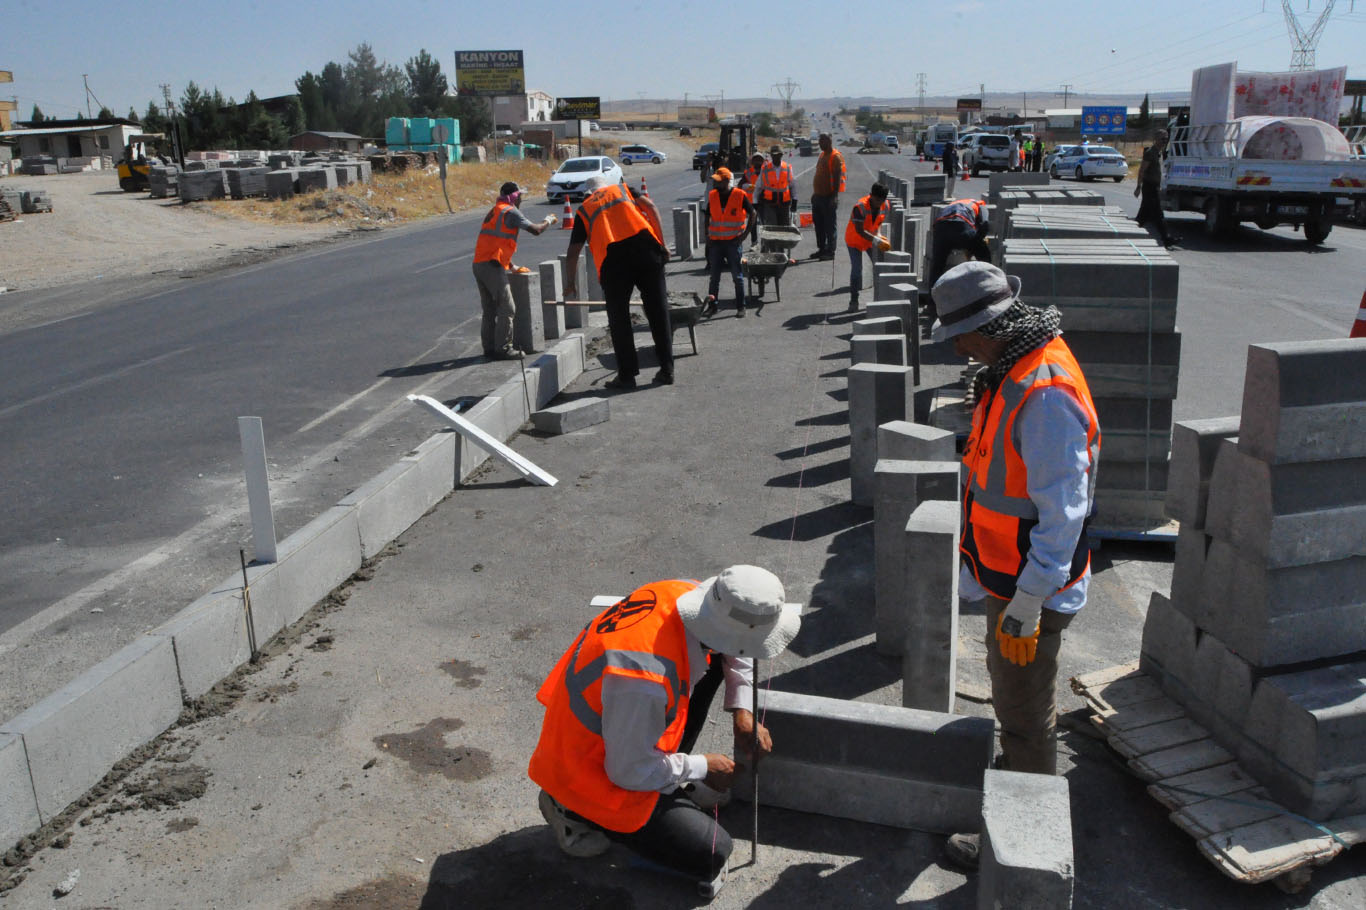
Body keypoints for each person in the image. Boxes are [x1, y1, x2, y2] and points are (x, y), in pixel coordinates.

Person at [928, 262, 1101, 871]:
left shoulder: (1044, 393)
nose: (956, 346)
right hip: (1008, 576)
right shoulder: (1014, 366)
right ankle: (1015, 799)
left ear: (992, 326)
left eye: (962, 333)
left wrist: (1028, 602)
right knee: (1015, 705)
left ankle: (1021, 845)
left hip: (1033, 590)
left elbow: (1065, 512)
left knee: (1026, 719)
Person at [529, 566, 801, 899]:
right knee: (712, 851)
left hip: (624, 733)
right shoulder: (642, 681)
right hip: (587, 771)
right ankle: (568, 809)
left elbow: (737, 647)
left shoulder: (691, 597)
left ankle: (666, 779)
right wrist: (702, 766)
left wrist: (742, 712)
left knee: (716, 661)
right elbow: (628, 772)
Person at [564, 175, 674, 388]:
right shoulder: (624, 189)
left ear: (588, 194)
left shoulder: (585, 209)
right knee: (659, 312)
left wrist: (571, 282)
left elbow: (573, 251)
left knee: (619, 320)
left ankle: (627, 376)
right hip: (647, 251)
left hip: (613, 263)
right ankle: (667, 370)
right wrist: (662, 243)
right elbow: (651, 207)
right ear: (607, 187)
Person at [472, 181, 557, 359]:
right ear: (514, 197)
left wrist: (511, 266)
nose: (521, 200)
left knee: (489, 310)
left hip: (480, 264)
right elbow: (536, 230)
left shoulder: (496, 210)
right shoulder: (511, 211)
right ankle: (504, 349)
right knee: (507, 308)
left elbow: (496, 242)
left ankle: (489, 348)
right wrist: (548, 220)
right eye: (520, 196)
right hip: (491, 267)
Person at [702, 167, 754, 318]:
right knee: (714, 277)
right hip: (716, 243)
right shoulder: (713, 196)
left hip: (732, 242)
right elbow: (707, 215)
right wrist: (707, 235)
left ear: (726, 181)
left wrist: (744, 235)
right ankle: (713, 307)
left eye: (718, 181)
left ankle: (741, 306)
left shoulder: (739, 195)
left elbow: (753, 213)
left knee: (737, 277)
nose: (715, 184)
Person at [928, 197, 992, 298]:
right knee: (985, 259)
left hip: (940, 227)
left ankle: (932, 303)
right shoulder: (980, 205)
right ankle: (990, 292)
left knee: (937, 266)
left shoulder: (952, 205)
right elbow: (985, 223)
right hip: (961, 225)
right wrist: (976, 241)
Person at [844, 182, 891, 311]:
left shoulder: (885, 205)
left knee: (880, 266)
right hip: (854, 241)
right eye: (876, 200)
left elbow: (878, 223)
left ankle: (881, 299)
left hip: (870, 240)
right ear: (871, 196)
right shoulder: (860, 207)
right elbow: (859, 230)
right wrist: (876, 240)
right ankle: (854, 301)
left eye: (881, 200)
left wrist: (879, 234)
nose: (878, 203)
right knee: (857, 270)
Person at [1135, 129, 1177, 248]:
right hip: (1149, 187)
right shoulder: (1150, 153)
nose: (1164, 141)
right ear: (1156, 139)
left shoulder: (1160, 153)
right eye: (1162, 139)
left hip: (1154, 187)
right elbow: (1142, 170)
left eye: (1166, 139)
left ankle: (1129, 232)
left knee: (1143, 216)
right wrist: (1138, 186)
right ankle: (1167, 238)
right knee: (1158, 214)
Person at [809, 133, 846, 260]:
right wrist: (815, 194)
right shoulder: (822, 155)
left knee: (829, 226)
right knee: (819, 225)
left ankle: (830, 251)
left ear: (829, 142)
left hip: (828, 197)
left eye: (822, 142)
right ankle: (822, 248)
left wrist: (834, 196)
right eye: (819, 142)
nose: (819, 144)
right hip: (818, 197)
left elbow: (837, 177)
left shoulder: (835, 157)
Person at [756, 145, 797, 228]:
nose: (776, 157)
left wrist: (795, 200)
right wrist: (756, 202)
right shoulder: (765, 169)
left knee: (784, 228)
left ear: (781, 155)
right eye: (774, 155)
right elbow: (758, 187)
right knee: (772, 227)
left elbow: (792, 185)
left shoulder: (787, 167)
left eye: (778, 155)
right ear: (771, 155)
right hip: (769, 204)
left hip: (784, 205)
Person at [740, 152, 766, 245]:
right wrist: (748, 186)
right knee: (753, 223)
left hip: (765, 201)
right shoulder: (748, 172)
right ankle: (754, 242)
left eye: (760, 159)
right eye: (756, 159)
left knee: (765, 223)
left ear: (763, 161)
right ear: (752, 161)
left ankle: (765, 243)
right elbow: (740, 185)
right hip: (752, 202)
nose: (758, 162)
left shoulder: (767, 171)